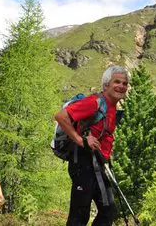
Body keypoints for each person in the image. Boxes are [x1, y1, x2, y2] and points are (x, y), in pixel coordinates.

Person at [55, 65, 129, 226]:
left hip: (99, 163)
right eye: (117, 82)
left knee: (108, 209)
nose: (121, 86)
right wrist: (81, 140)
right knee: (80, 214)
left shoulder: (112, 107)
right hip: (82, 162)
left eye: (125, 83)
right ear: (106, 85)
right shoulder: (94, 102)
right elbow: (61, 116)